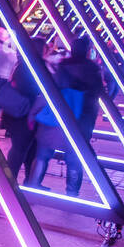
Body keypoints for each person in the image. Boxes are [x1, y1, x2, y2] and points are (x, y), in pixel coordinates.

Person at [29, 36, 103, 194]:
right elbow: (99, 94)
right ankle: (72, 192)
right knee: (75, 159)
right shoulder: (93, 70)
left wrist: (34, 112)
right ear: (87, 51)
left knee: (43, 153)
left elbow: (48, 91)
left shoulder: (61, 67)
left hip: (56, 117)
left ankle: (33, 184)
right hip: (80, 121)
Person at [0, 38, 47, 183]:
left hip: (22, 113)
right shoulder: (31, 66)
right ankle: (11, 181)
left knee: (28, 149)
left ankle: (27, 181)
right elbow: (28, 89)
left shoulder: (23, 63)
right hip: (25, 114)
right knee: (20, 149)